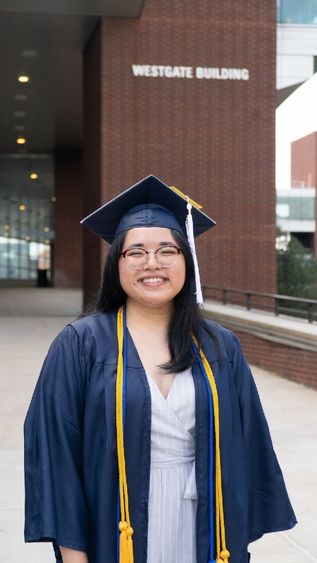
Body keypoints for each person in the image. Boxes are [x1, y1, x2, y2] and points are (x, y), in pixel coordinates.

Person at [24, 175, 297, 563]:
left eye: (167, 250)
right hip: (116, 528)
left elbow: (250, 450)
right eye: (135, 252)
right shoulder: (80, 345)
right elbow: (57, 458)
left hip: (205, 528)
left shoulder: (220, 347)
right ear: (116, 264)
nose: (152, 263)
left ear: (187, 260)